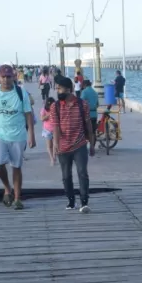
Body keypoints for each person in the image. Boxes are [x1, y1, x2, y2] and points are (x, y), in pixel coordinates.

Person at [0, 64, 35, 209]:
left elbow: (28, 114)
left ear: (14, 77)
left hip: (18, 135)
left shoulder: (20, 92)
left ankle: (17, 198)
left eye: (8, 77)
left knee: (16, 166)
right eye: (3, 77)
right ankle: (7, 188)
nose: (5, 80)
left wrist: (31, 135)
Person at [52, 75, 95, 212]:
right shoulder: (55, 106)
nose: (57, 91)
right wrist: (56, 145)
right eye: (57, 88)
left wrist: (92, 144)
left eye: (60, 88)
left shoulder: (83, 105)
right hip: (63, 147)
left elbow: (88, 125)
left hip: (79, 144)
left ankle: (84, 202)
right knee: (66, 176)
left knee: (82, 172)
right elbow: (56, 127)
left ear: (69, 89)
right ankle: (71, 201)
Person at [41, 96, 57, 166]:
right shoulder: (44, 110)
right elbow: (42, 119)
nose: (51, 106)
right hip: (47, 130)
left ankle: (54, 157)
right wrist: (49, 114)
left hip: (56, 129)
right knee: (49, 145)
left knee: (55, 145)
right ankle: (51, 159)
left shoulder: (57, 109)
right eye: (50, 104)